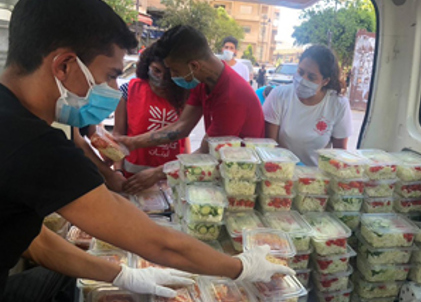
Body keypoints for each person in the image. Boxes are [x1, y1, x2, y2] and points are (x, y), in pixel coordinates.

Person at [0, 1, 293, 301]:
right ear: (64, 65)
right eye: (111, 75)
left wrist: (122, 274)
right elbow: (159, 245)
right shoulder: (37, 148)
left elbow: (33, 239)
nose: (114, 88)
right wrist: (240, 266)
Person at [117, 25, 264, 153]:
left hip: (241, 175)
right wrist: (133, 143)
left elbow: (206, 152)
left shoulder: (233, 97)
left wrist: (157, 174)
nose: (172, 76)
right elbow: (182, 126)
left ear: (194, 66)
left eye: (174, 70)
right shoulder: (201, 81)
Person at [114, 44, 190, 194]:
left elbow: (183, 137)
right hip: (132, 181)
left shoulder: (185, 97)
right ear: (146, 65)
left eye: (167, 73)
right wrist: (117, 172)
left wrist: (186, 172)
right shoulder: (128, 91)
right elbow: (118, 135)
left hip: (170, 180)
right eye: (156, 70)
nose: (161, 79)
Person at [263, 45, 353, 166]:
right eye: (300, 72)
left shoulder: (338, 104)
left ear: (325, 81)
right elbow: (270, 145)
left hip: (316, 177)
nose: (302, 79)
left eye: (311, 77)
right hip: (282, 170)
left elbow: (339, 153)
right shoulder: (279, 96)